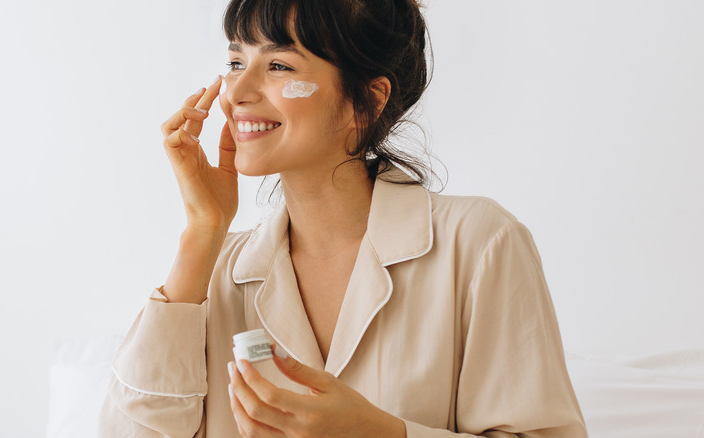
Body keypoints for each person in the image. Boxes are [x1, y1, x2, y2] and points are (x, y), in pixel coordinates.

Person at [99, 0, 588, 437]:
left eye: (277, 64)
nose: (237, 91)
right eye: (234, 62)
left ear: (367, 101)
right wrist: (202, 232)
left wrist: (380, 434)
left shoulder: (479, 243)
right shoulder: (213, 273)